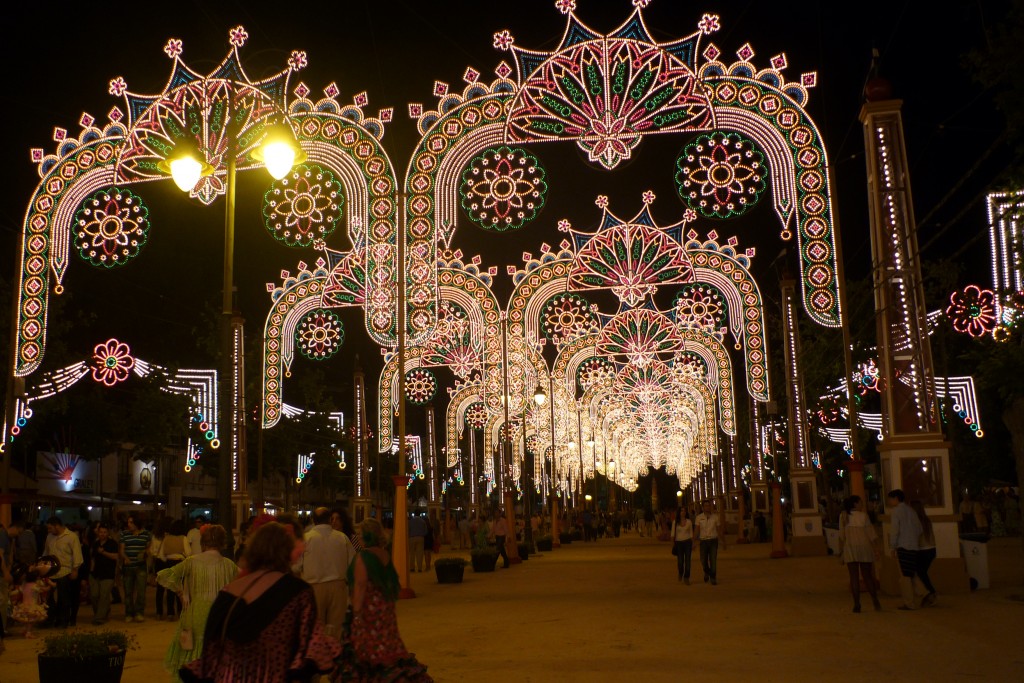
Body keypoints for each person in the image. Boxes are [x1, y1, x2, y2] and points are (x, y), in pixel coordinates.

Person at [180, 521, 339, 682]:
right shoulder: (298, 592)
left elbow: (210, 651)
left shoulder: (228, 592)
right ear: (286, 551)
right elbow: (312, 645)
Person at [337, 518, 432, 682]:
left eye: (360, 533)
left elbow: (360, 587)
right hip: (384, 609)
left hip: (368, 612)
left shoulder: (363, 557)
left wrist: (356, 615)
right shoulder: (384, 554)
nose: (358, 537)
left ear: (367, 535)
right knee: (387, 648)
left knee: (366, 654)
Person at [158, 524, 238, 683]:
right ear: (222, 543)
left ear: (203, 542)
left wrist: (180, 592)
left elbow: (164, 575)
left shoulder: (191, 562)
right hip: (220, 617)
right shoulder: (229, 565)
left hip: (195, 614)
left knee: (192, 655)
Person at [300, 507, 355, 643]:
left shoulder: (306, 539)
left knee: (316, 630)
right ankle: (334, 653)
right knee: (336, 630)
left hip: (314, 588)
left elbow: (296, 565)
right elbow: (352, 563)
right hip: (338, 587)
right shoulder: (342, 538)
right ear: (330, 519)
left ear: (313, 520)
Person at [838, 496, 881, 612]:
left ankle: (857, 604)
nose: (862, 504)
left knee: (854, 577)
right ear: (855, 504)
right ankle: (875, 600)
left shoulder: (843, 516)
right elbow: (871, 533)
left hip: (850, 548)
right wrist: (876, 548)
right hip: (864, 548)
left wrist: (841, 551)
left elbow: (841, 535)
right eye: (860, 502)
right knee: (867, 576)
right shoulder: (864, 516)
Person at [43, 516, 82, 628]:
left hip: (65, 571)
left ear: (57, 526)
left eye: (50, 528)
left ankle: (63, 620)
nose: (49, 530)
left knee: (63, 598)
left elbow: (77, 554)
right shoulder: (49, 537)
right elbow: (46, 552)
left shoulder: (71, 537)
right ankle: (50, 619)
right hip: (51, 571)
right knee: (49, 598)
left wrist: (75, 569)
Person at [887, 489, 923, 610]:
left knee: (905, 576)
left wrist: (892, 547)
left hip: (902, 546)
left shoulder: (896, 511)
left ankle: (909, 602)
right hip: (914, 546)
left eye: (890, 499)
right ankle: (925, 593)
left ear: (896, 498)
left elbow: (894, 530)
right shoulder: (911, 511)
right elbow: (919, 528)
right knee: (911, 572)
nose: (889, 502)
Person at [10, 556, 58, 638]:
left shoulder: (24, 584)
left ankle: (25, 629)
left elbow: (20, 591)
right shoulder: (35, 586)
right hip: (32, 606)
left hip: (24, 605)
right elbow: (44, 589)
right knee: (31, 621)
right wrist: (50, 586)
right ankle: (29, 632)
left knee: (26, 620)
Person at [119, 514, 151, 622]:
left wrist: (146, 553)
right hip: (128, 567)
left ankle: (139, 612)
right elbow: (122, 550)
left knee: (141, 592)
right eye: (128, 522)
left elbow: (149, 548)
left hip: (141, 566)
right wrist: (125, 558)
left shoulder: (146, 534)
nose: (129, 524)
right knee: (128, 592)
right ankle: (129, 613)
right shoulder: (124, 534)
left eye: (131, 522)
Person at [89, 522, 119, 625]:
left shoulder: (112, 543)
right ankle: (101, 613)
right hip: (96, 573)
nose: (102, 534)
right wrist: (91, 572)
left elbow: (116, 556)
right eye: (101, 532)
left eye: (104, 532)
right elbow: (92, 558)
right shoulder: (95, 543)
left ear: (108, 533)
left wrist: (103, 552)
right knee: (94, 595)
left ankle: (99, 618)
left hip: (108, 574)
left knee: (104, 595)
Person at [910, 500, 938, 607]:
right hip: (931, 549)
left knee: (919, 573)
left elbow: (915, 537)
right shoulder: (926, 520)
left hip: (922, 550)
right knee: (922, 573)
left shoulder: (915, 521)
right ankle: (929, 594)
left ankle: (930, 593)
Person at [694, 501, 719, 585]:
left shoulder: (715, 517)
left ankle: (713, 577)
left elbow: (718, 529)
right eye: (705, 506)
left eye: (709, 506)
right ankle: (707, 571)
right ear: (703, 507)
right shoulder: (699, 518)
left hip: (713, 540)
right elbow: (697, 530)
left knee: (713, 560)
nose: (707, 507)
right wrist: (694, 541)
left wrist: (723, 540)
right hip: (703, 541)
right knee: (703, 560)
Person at [671, 507, 694, 584]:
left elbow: (691, 533)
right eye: (681, 511)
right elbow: (672, 534)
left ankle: (686, 577)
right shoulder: (675, 522)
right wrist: (673, 544)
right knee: (680, 561)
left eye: (684, 511)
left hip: (687, 542)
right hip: (679, 543)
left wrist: (693, 543)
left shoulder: (689, 522)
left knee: (688, 561)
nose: (683, 512)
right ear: (679, 512)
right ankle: (680, 572)